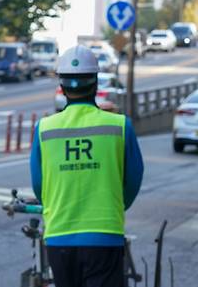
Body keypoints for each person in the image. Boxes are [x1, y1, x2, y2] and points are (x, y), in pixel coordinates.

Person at [30, 44, 144, 287]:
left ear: (61, 86)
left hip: (59, 235)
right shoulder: (120, 126)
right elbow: (134, 179)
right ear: (95, 83)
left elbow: (39, 185)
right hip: (105, 234)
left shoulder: (45, 128)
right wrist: (114, 205)